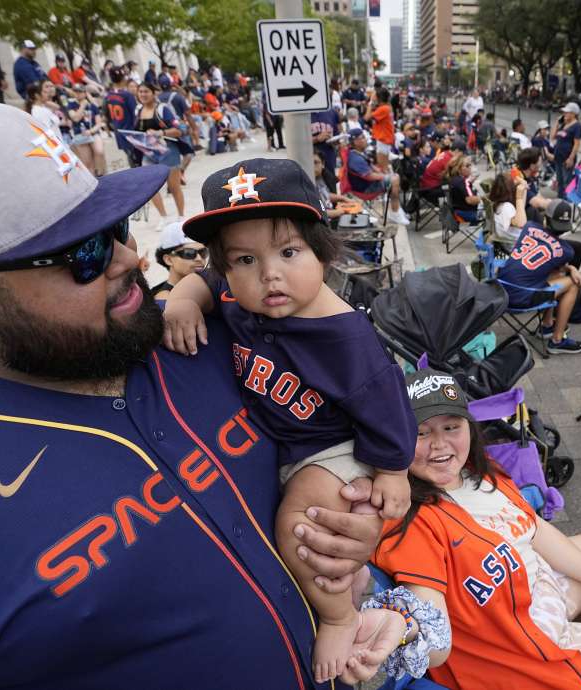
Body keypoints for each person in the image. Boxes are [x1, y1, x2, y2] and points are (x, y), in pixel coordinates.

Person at [0, 101, 398, 689]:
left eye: (114, 225)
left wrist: (356, 538)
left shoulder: (217, 329)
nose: (129, 257)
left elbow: (368, 432)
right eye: (81, 253)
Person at [160, 158, 416, 682]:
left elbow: (388, 403)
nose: (269, 273)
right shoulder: (238, 296)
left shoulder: (343, 334)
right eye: (246, 259)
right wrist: (184, 298)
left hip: (335, 448)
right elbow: (206, 281)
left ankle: (339, 618)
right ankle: (348, 588)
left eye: (289, 252)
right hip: (292, 449)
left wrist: (394, 472)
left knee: (298, 526)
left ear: (321, 252)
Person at [373, 369, 581, 690]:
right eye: (421, 433)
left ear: (468, 427)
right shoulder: (410, 518)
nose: (440, 444)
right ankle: (569, 661)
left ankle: (576, 642)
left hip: (527, 597)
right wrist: (402, 626)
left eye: (451, 427)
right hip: (507, 648)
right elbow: (436, 642)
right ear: (397, 440)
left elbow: (534, 530)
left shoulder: (478, 471)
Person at [497, 201, 581, 355]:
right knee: (573, 283)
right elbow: (562, 270)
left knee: (555, 276)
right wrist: (572, 268)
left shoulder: (530, 226)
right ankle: (557, 340)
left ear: (546, 219)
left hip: (499, 292)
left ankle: (546, 325)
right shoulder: (566, 251)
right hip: (519, 299)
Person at [135, 82, 185, 218]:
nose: (143, 94)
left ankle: (181, 217)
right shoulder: (138, 110)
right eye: (140, 92)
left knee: (174, 187)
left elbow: (178, 131)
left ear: (153, 93)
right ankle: (164, 217)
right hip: (149, 152)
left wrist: (160, 132)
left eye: (146, 91)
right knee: (149, 188)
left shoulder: (163, 109)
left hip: (168, 152)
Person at [346, 128, 411, 226]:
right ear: (355, 142)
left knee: (391, 172)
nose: (365, 139)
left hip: (366, 184)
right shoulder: (355, 158)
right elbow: (369, 176)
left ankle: (396, 209)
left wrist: (384, 173)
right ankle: (395, 212)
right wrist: (385, 176)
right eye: (362, 137)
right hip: (365, 189)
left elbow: (370, 166)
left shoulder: (357, 153)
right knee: (395, 179)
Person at [150, 220, 208, 300]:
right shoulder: (165, 300)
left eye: (203, 252)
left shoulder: (210, 284)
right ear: (169, 260)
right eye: (189, 253)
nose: (199, 259)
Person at [553, 102, 581, 195]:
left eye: (567, 112)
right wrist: (557, 123)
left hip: (567, 157)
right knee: (559, 180)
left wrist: (571, 158)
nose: (564, 114)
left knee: (567, 181)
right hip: (558, 156)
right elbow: (553, 136)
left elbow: (576, 144)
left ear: (573, 114)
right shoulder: (564, 124)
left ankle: (566, 200)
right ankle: (560, 199)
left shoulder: (577, 126)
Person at [311, 104, 342, 192]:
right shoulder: (302, 114)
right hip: (311, 158)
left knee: (331, 184)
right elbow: (297, 141)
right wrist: (317, 138)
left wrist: (335, 141)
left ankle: (332, 205)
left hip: (329, 156)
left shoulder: (331, 112)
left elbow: (338, 133)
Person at [446, 155, 481, 223]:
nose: (470, 167)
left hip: (454, 212)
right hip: (466, 214)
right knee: (492, 215)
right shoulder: (462, 181)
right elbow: (471, 201)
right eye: (467, 166)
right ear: (458, 169)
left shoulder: (453, 179)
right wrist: (485, 198)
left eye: (470, 165)